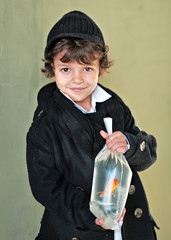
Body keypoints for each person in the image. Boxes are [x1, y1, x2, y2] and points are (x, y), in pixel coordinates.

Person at [26, 10, 159, 240]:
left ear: (101, 69)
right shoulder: (44, 127)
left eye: (87, 68)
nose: (77, 79)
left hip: (129, 231)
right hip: (79, 230)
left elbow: (147, 154)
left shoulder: (115, 107)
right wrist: (93, 215)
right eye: (66, 69)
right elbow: (47, 188)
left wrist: (129, 144)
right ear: (52, 70)